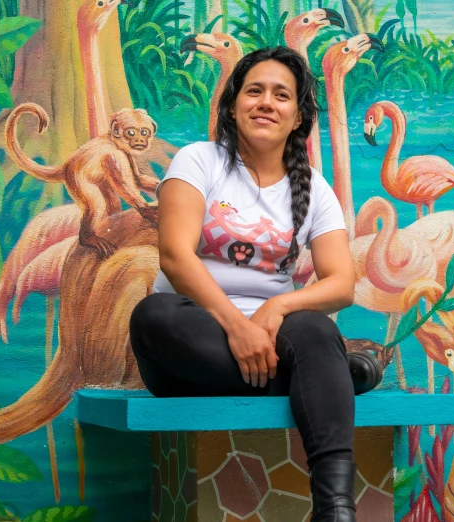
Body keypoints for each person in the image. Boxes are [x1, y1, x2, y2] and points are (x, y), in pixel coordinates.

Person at [130, 46, 381, 522]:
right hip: (193, 343)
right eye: (255, 91)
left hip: (270, 337)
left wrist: (276, 310)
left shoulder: (314, 188)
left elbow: (342, 283)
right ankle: (329, 380)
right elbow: (175, 258)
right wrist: (236, 326)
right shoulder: (198, 161)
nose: (266, 102)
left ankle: (336, 509)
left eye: (281, 95)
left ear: (298, 117)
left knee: (316, 330)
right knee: (152, 316)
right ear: (232, 105)